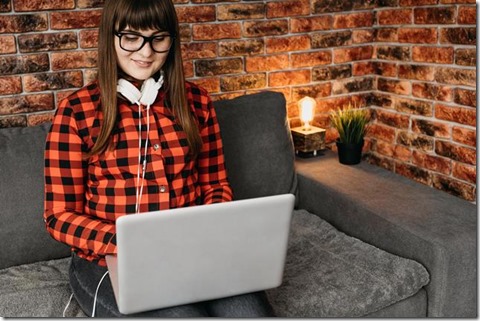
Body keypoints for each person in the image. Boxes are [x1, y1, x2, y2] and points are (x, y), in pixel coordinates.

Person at [43, 0, 274, 317]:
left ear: (171, 40)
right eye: (131, 37)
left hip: (193, 254)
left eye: (158, 38)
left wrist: (209, 230)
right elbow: (58, 215)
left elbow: (215, 184)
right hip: (107, 261)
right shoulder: (76, 112)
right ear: (110, 38)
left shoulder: (197, 102)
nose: (146, 51)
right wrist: (131, 242)